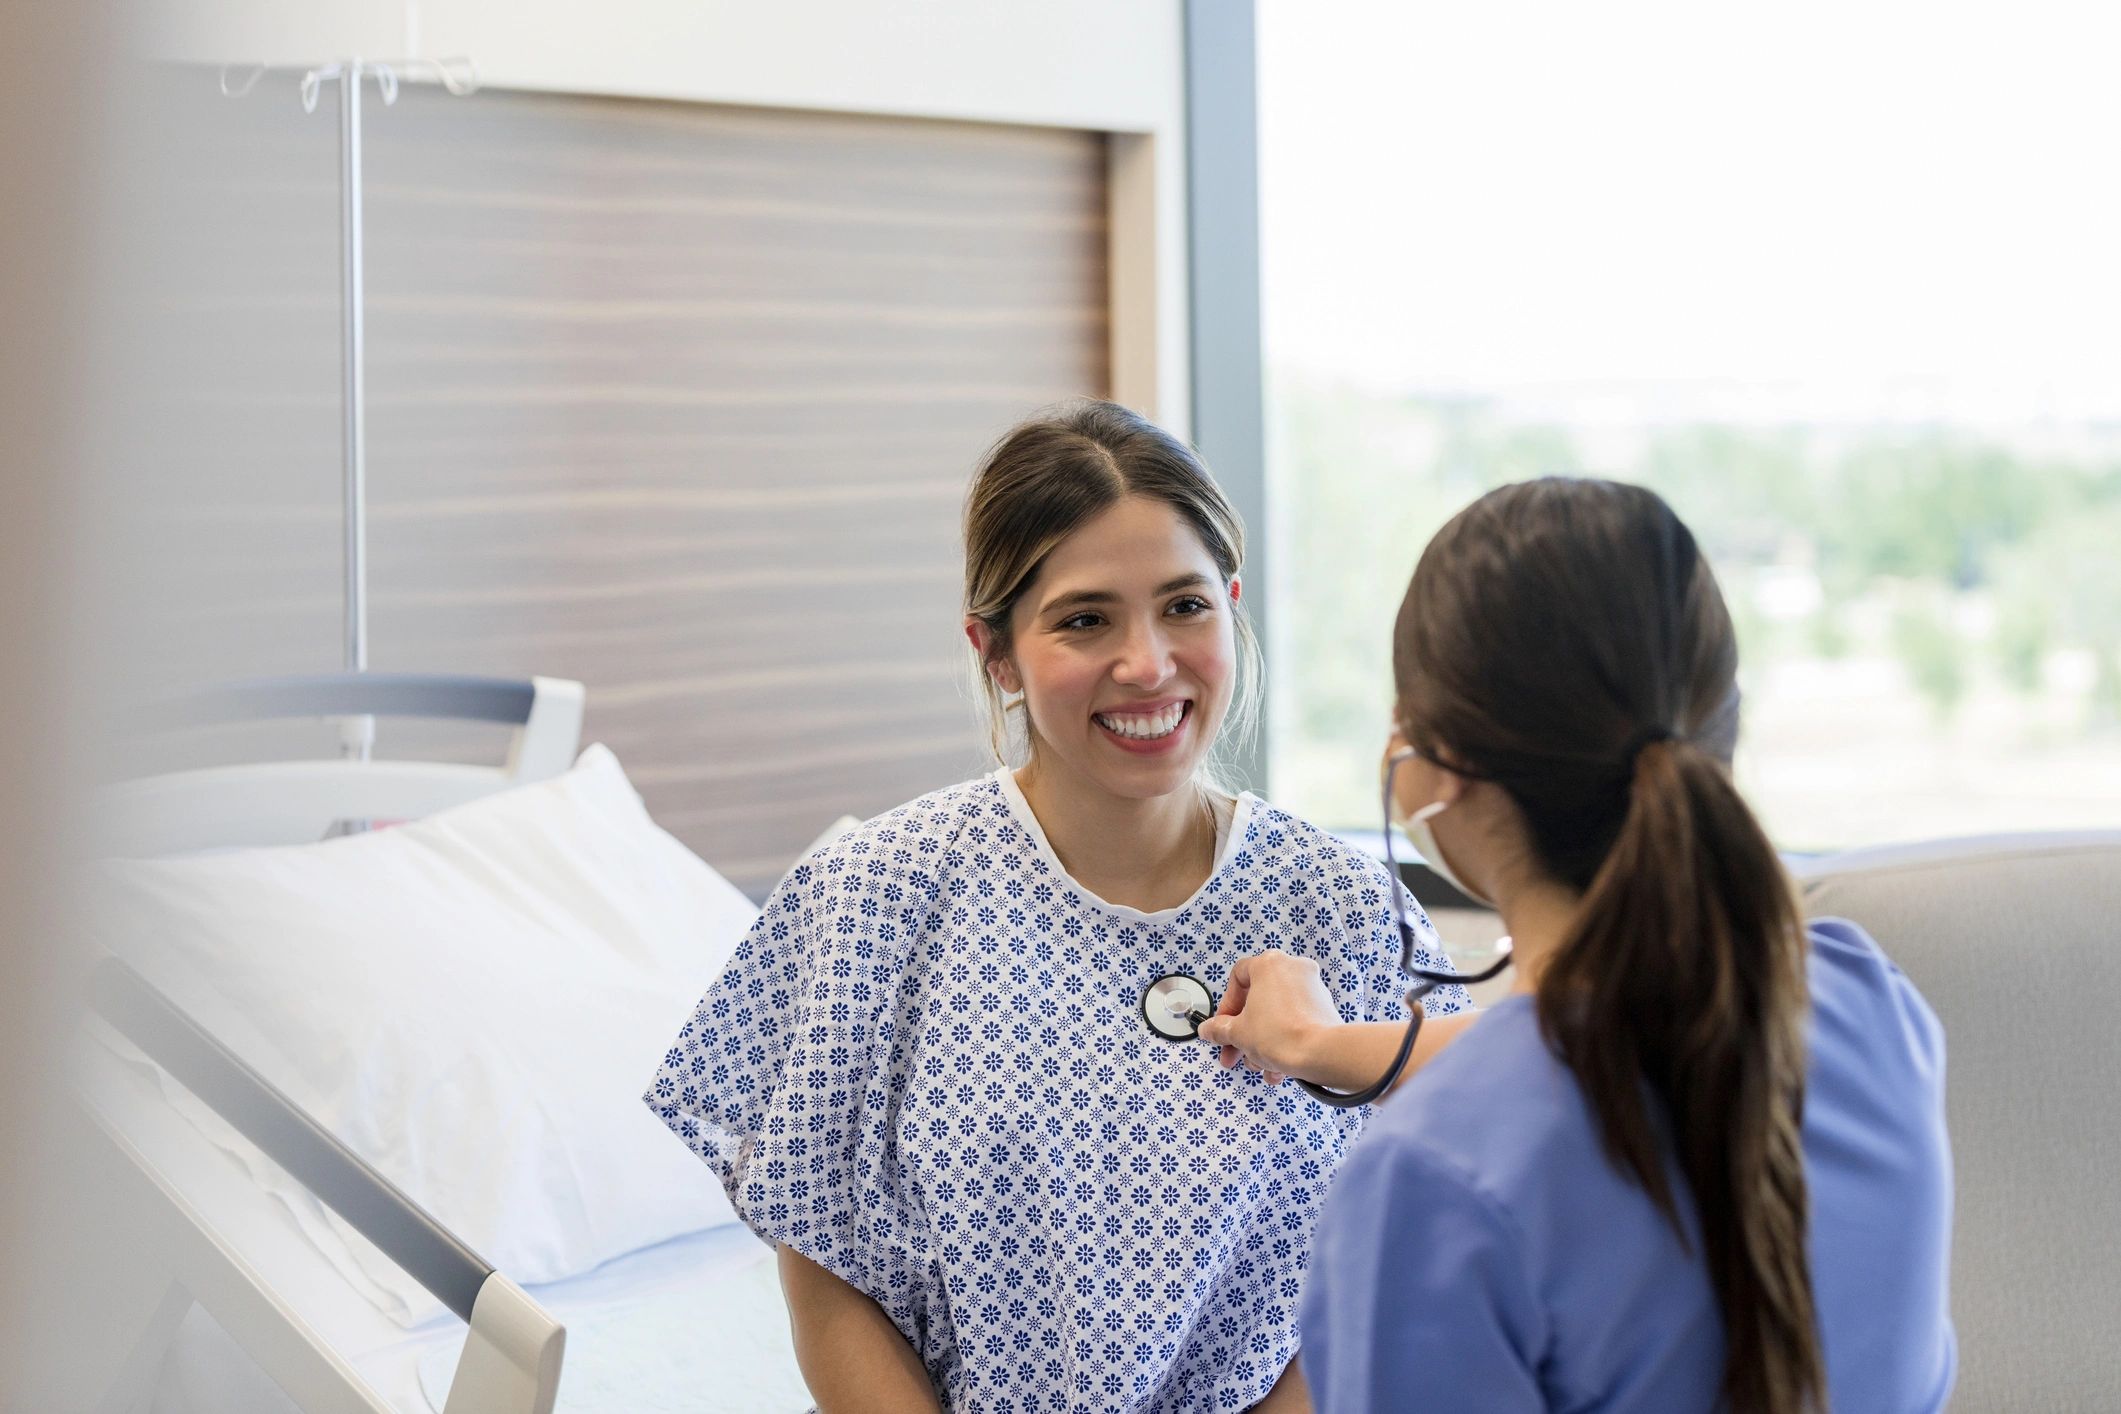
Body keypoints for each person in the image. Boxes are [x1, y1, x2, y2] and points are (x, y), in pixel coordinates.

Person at [644, 400, 1468, 1414]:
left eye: (1185, 606)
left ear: (1232, 605)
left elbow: (1407, 1244)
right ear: (996, 654)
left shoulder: (1341, 905)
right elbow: (823, 1267)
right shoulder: (876, 895)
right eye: (1085, 619)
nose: (1148, 663)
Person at [1199, 479, 1956, 1413]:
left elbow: (1543, 1090)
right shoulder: (1866, 1004)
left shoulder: (1430, 1178)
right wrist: (1321, 1045)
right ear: (1717, 723)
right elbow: (1602, 1051)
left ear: (1430, 773)